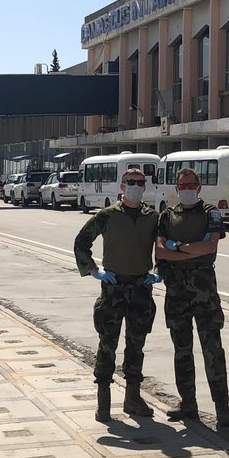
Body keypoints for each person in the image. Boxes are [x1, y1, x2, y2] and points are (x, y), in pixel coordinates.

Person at [74, 165, 161, 423]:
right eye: (130, 181)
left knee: (137, 345)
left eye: (139, 182)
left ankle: (132, 398)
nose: (135, 185)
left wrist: (159, 271)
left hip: (141, 287)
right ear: (122, 187)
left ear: (144, 187)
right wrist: (93, 270)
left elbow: (164, 246)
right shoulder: (108, 215)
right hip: (113, 287)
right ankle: (103, 402)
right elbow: (82, 241)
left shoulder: (152, 217)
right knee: (107, 345)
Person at [155, 167, 229, 427]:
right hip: (176, 294)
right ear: (177, 188)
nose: (187, 189)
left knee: (213, 350)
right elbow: (160, 252)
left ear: (199, 188)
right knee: (182, 351)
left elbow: (210, 246)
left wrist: (177, 247)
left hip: (204, 295)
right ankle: (188, 403)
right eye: (182, 185)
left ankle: (222, 408)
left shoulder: (211, 213)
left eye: (191, 185)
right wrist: (191, 251)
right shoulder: (168, 215)